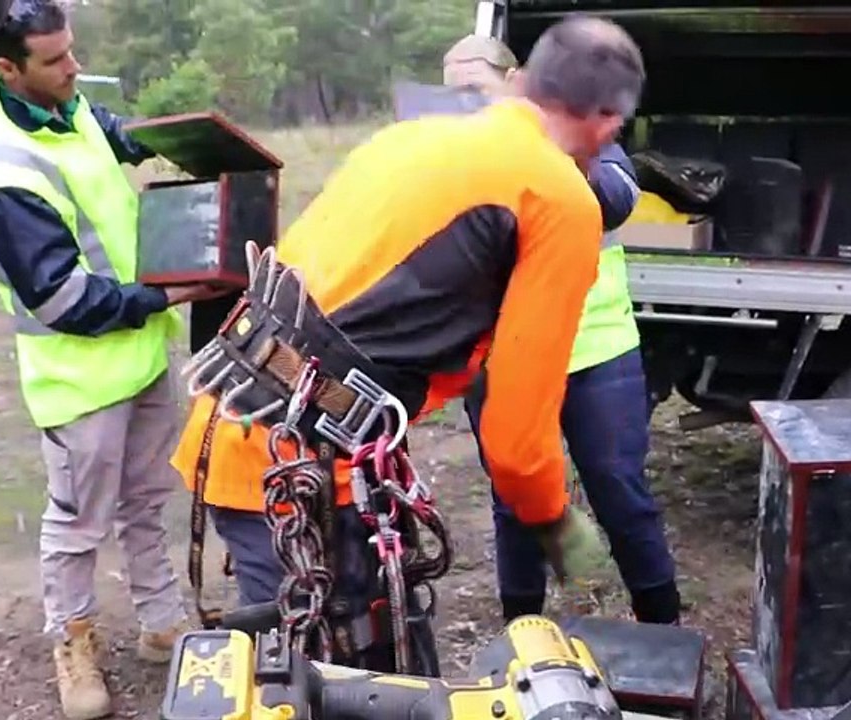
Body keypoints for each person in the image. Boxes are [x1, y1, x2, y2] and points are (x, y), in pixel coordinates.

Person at [169, 15, 647, 671]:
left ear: (525, 82)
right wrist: (556, 524)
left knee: (316, 673)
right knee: (346, 685)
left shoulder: (407, 140)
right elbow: (515, 438)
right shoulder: (558, 196)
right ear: (609, 121)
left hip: (241, 425)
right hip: (308, 471)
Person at [0, 2, 223, 718]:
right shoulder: (3, 168)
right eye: (55, 59)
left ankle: (161, 623)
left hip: (142, 357)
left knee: (145, 503)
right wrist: (167, 293)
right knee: (77, 526)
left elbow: (112, 135)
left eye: (72, 50)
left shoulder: (66, 110)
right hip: (79, 382)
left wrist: (185, 140)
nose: (74, 68)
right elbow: (61, 298)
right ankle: (71, 643)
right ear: (8, 68)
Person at [442, 34, 681, 626]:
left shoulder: (569, 128)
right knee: (514, 499)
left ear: (514, 82)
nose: (466, 106)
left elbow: (618, 197)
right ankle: (522, 630)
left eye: (474, 90)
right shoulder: (452, 156)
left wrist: (541, 151)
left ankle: (663, 626)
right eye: (452, 96)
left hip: (596, 351)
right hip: (504, 359)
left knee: (618, 491)